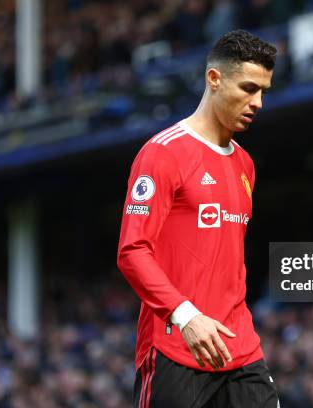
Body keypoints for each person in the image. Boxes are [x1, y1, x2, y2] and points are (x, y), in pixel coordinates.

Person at [117, 30, 279, 407]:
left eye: (264, 92)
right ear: (214, 79)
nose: (258, 102)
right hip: (176, 344)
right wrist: (188, 317)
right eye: (249, 87)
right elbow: (132, 252)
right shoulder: (161, 155)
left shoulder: (245, 164)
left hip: (238, 346)